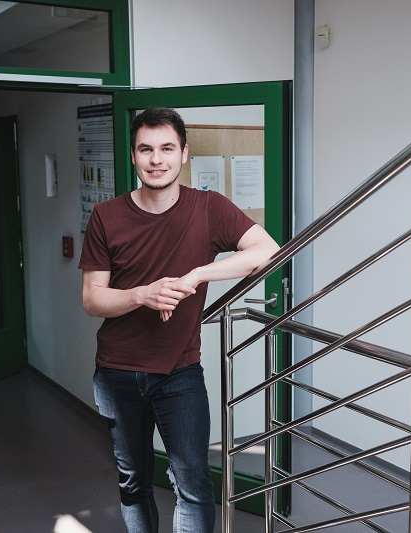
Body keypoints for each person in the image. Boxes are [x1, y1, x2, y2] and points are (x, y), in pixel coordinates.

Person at [78, 107, 279, 533]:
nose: (156, 159)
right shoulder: (106, 216)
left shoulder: (209, 208)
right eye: (146, 149)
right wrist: (142, 294)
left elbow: (266, 250)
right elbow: (92, 300)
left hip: (179, 372)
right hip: (117, 373)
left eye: (167, 148)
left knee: (192, 484)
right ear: (133, 156)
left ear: (184, 154)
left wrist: (197, 274)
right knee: (133, 483)